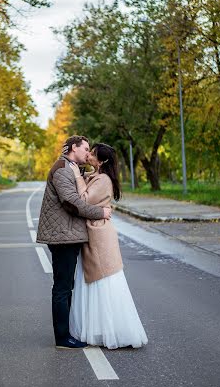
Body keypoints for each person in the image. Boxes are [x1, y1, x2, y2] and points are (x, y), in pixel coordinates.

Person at [69, 143, 148, 349]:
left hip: (100, 237)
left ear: (102, 161)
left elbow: (83, 200)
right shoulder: (96, 175)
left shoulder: (103, 179)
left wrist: (78, 176)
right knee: (94, 282)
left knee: (103, 280)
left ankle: (113, 330)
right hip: (93, 233)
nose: (89, 155)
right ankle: (99, 328)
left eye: (93, 154)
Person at [36, 136, 112, 349]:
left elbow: (90, 183)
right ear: (73, 148)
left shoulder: (72, 168)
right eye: (85, 149)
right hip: (62, 236)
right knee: (62, 287)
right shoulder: (62, 169)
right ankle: (62, 338)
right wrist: (101, 212)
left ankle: (67, 333)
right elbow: (72, 203)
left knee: (67, 286)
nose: (88, 154)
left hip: (67, 235)